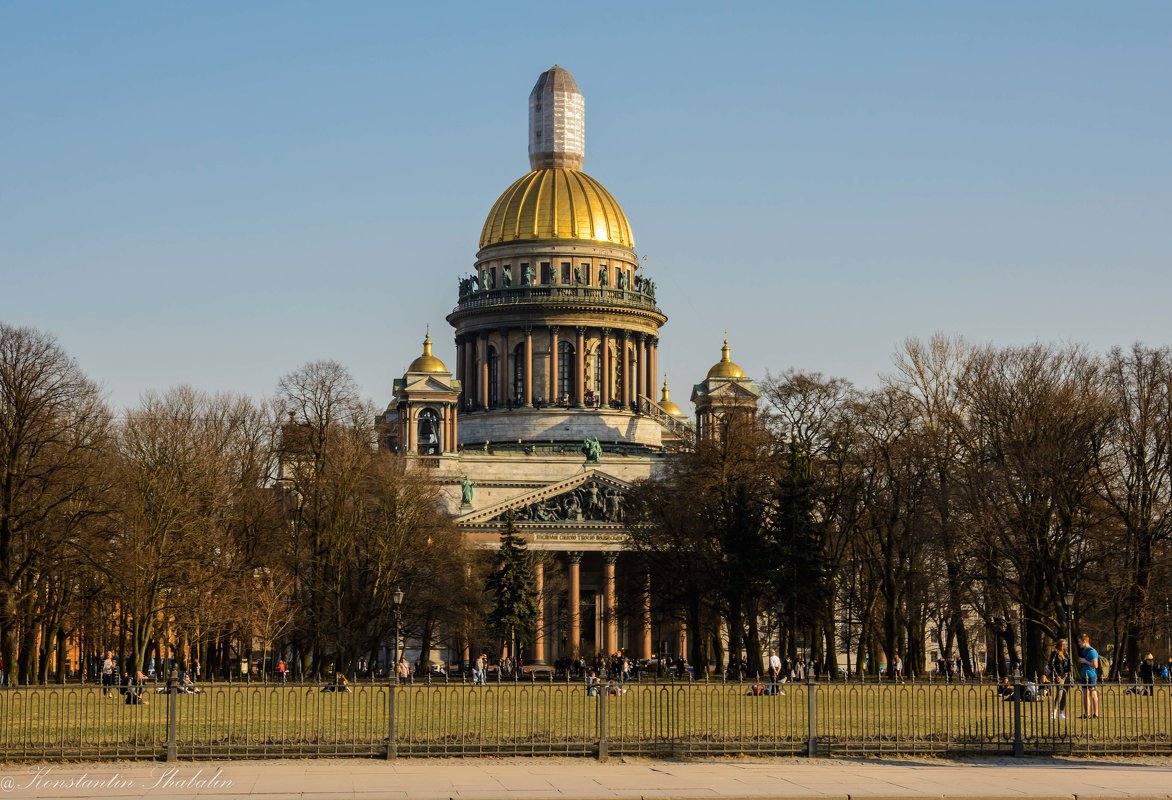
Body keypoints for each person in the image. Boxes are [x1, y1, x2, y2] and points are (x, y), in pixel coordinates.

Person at [1077, 633, 1100, 719]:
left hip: (1091, 675)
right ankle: (1087, 714)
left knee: (1093, 694)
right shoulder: (1084, 651)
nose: (1079, 643)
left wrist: (1084, 661)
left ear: (1085, 641)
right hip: (1084, 675)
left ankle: (1096, 714)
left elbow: (1095, 665)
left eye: (1080, 642)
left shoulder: (1092, 651)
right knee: (1085, 694)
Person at [1048, 638, 1071, 720]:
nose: (1064, 646)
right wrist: (1056, 675)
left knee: (1065, 693)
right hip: (1059, 675)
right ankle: (1054, 711)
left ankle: (1061, 712)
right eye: (1063, 644)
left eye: (1065, 644)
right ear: (1059, 645)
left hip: (1066, 675)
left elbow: (1069, 665)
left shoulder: (1066, 654)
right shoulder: (1055, 653)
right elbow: (1051, 665)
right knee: (1060, 693)